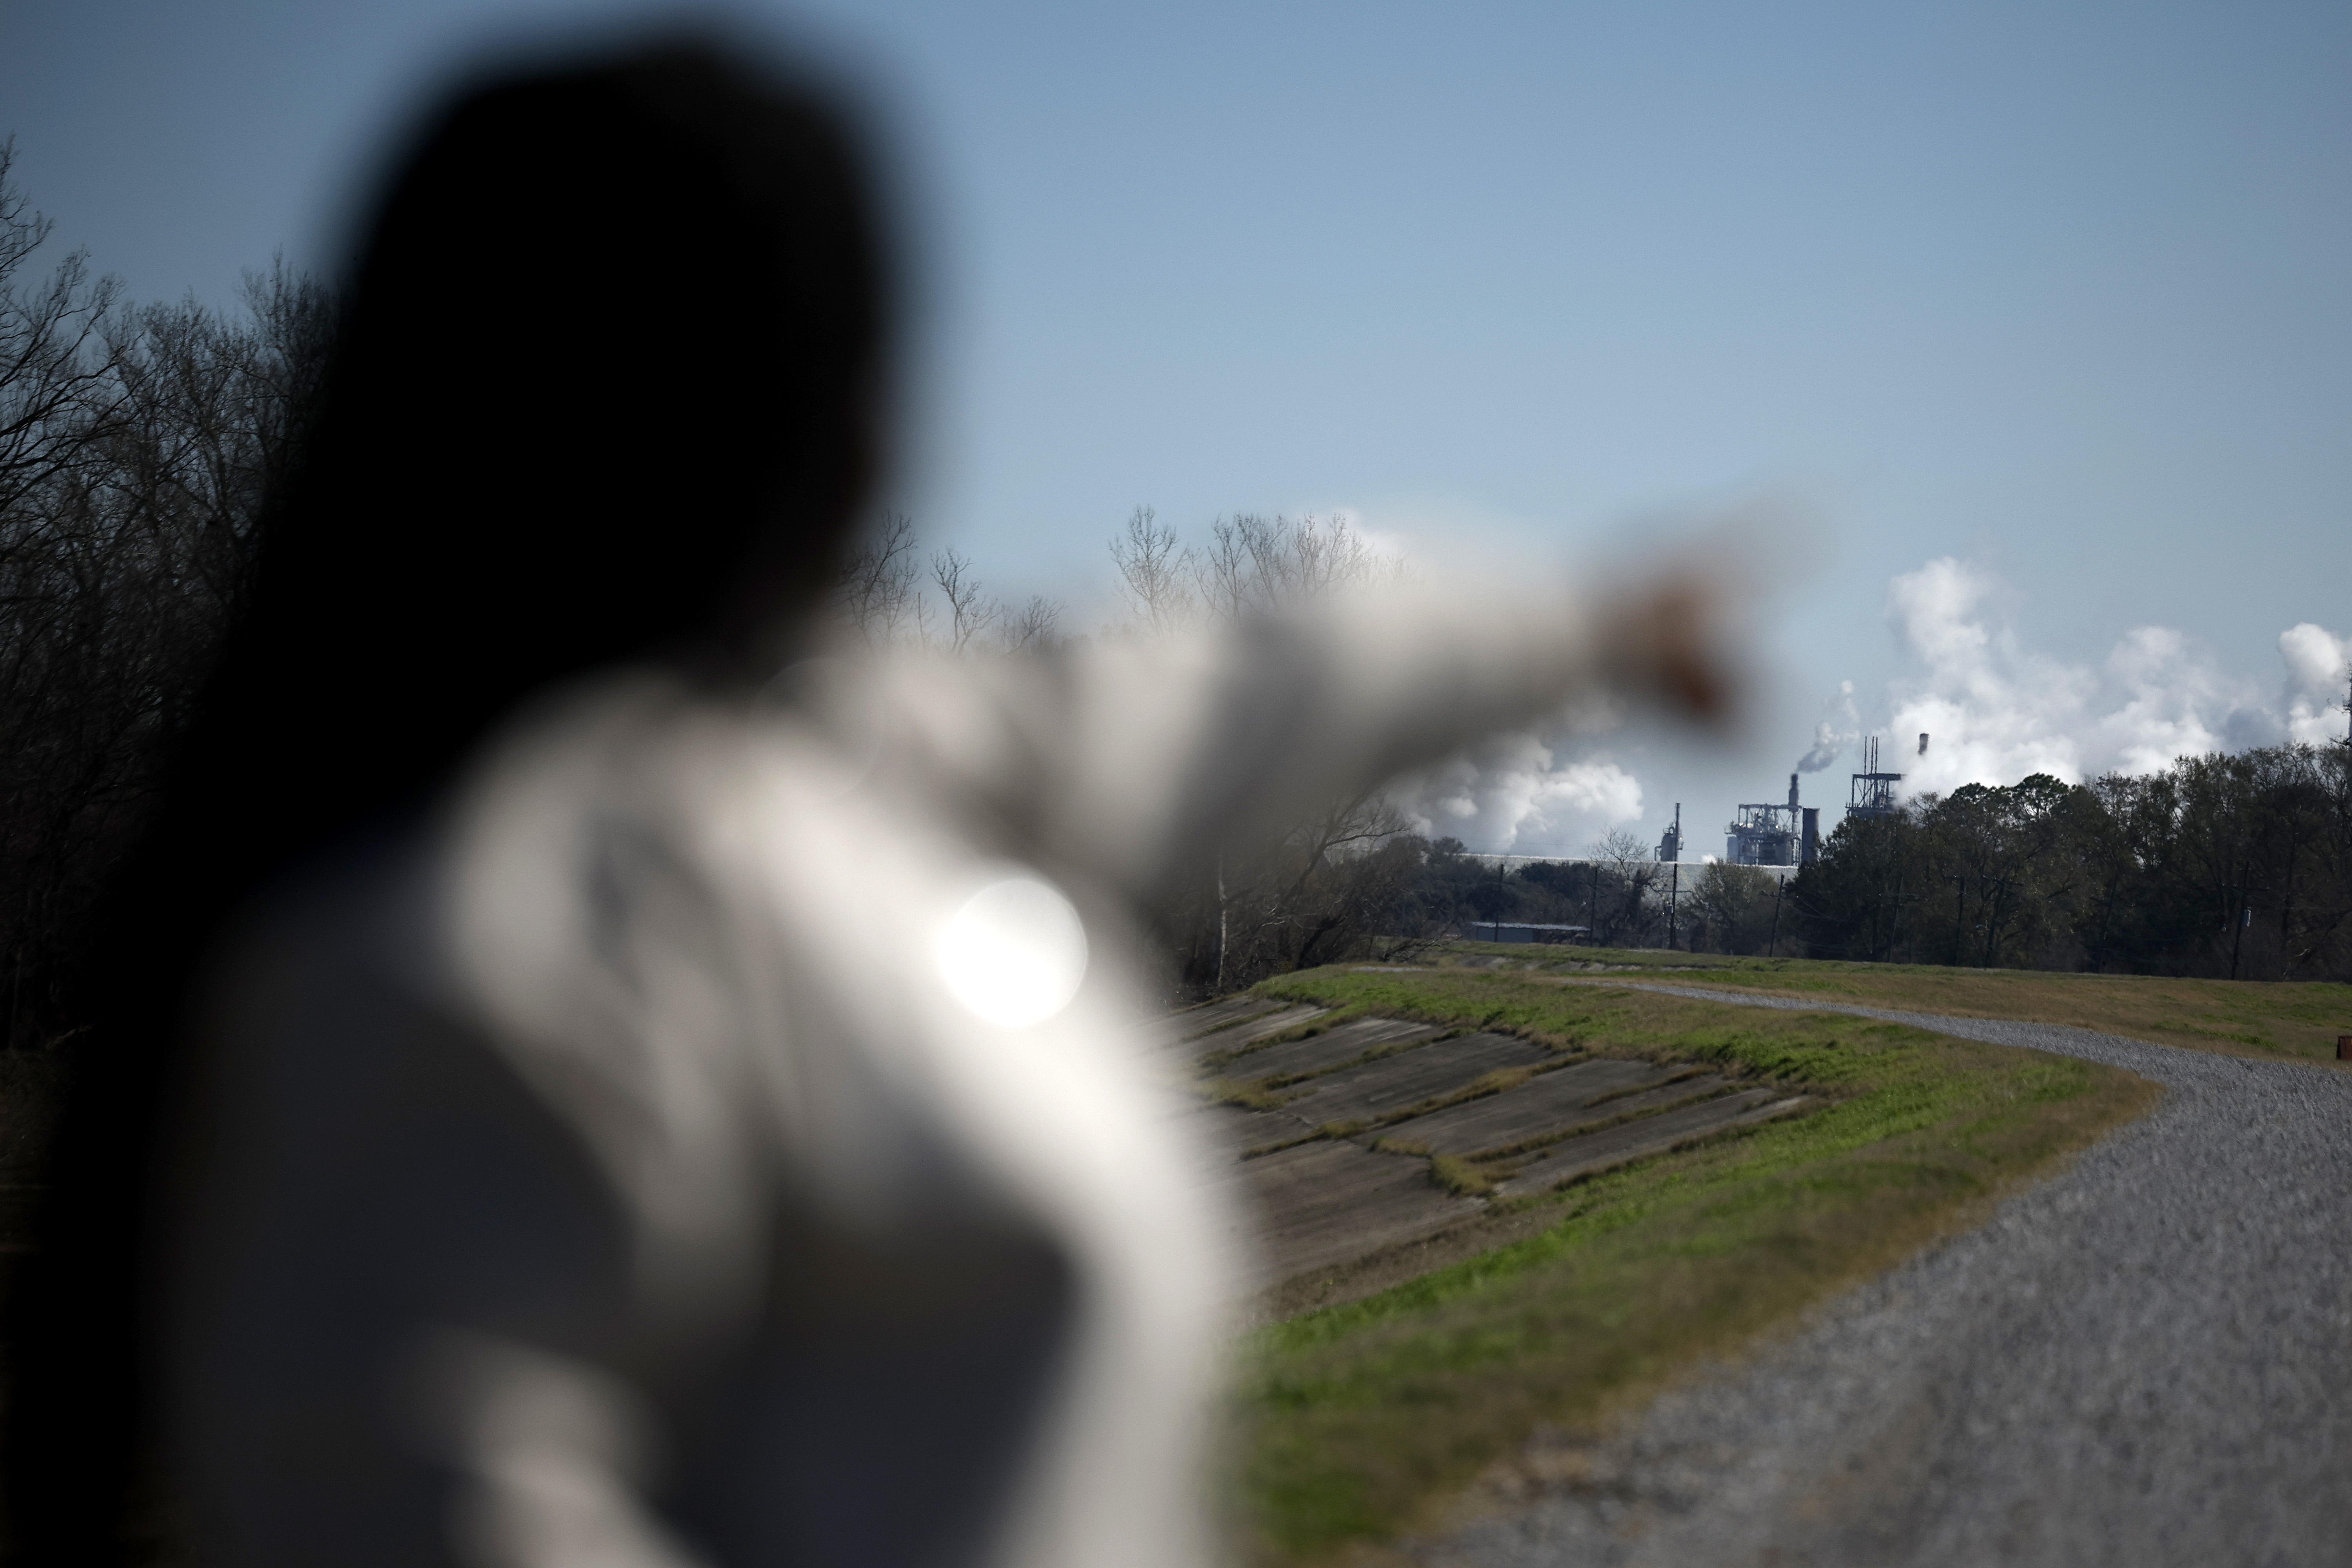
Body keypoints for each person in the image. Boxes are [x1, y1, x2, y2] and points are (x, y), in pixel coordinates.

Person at [4, 33, 1730, 1568]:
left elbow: (1250, 676)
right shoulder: (462, 971)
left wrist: (1582, 624)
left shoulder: (868, 763)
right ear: (839, 433)